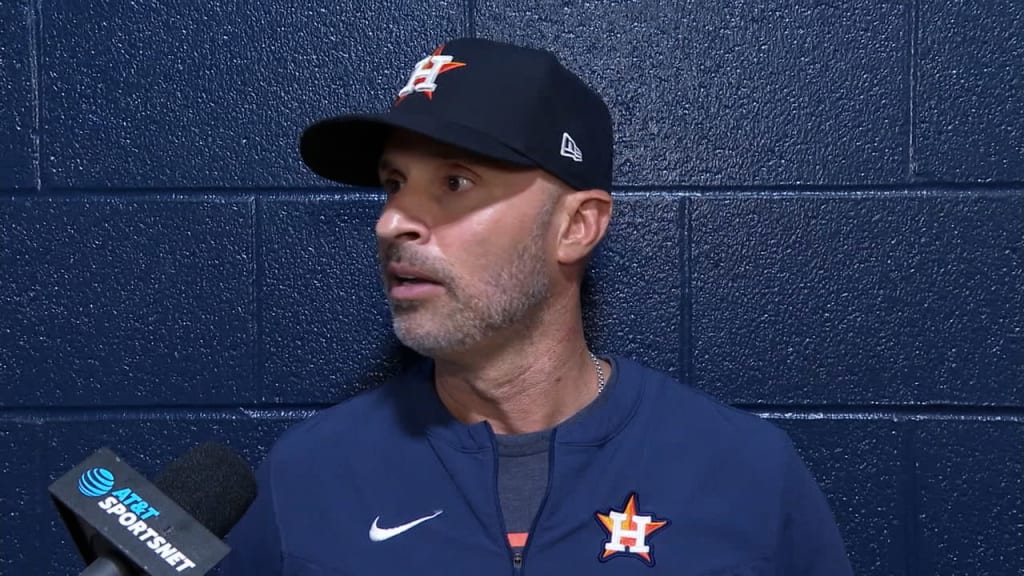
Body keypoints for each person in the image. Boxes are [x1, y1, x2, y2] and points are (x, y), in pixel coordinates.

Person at [221, 37, 854, 575]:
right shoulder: (307, 475)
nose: (392, 223)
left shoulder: (745, 475)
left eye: (454, 182)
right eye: (393, 185)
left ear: (577, 226)